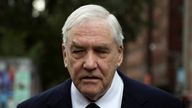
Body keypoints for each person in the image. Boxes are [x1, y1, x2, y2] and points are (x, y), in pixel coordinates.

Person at [17, 4, 185, 108]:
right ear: (65, 55)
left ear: (120, 54)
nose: (89, 64)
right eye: (78, 51)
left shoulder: (165, 105)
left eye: (101, 51)